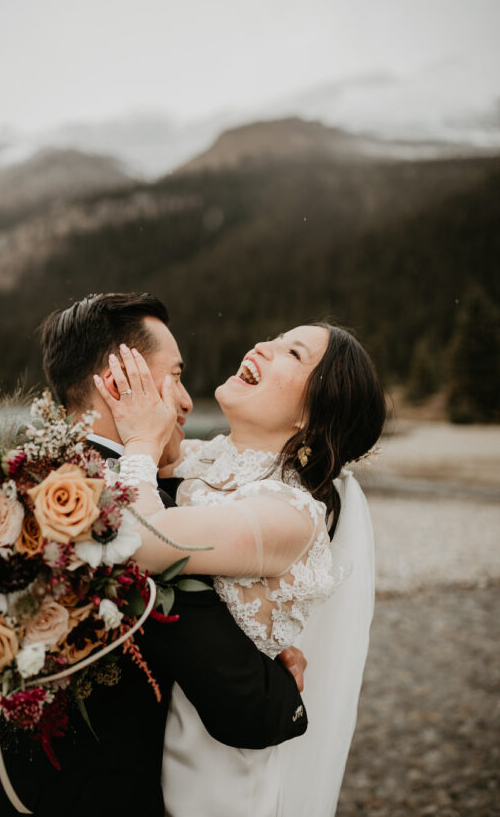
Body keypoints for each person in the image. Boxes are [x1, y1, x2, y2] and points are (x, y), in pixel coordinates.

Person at [0, 293, 308, 817]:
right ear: (119, 383)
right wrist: (281, 681)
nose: (187, 401)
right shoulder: (129, 520)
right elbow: (252, 712)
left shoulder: (21, 484)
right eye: (176, 376)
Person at [94, 319, 386, 817]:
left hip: (216, 770)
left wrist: (141, 439)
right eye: (275, 338)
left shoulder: (290, 515)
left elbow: (143, 541)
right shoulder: (205, 458)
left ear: (313, 418)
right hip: (153, 738)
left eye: (293, 353)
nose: (263, 345)